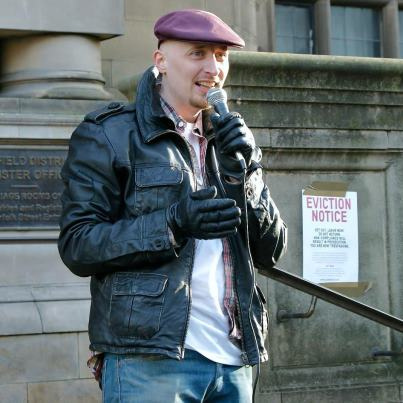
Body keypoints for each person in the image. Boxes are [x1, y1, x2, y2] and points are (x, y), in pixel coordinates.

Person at [58, 8, 287, 403]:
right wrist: (174, 223)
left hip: (235, 359)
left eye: (221, 55)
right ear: (160, 60)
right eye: (198, 53)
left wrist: (245, 175)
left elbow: (272, 251)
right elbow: (79, 245)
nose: (213, 67)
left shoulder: (232, 141)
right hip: (151, 360)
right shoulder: (110, 133)